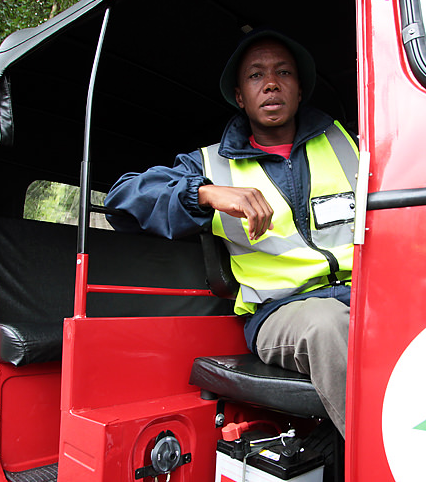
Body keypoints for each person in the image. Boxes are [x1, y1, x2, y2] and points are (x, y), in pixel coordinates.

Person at [105, 29, 358, 435]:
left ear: (299, 90)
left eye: (284, 73)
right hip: (284, 311)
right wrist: (204, 193)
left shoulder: (351, 144)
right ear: (241, 96)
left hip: (363, 296)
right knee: (328, 325)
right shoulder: (209, 164)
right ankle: (388, 481)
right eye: (256, 75)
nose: (271, 83)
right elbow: (122, 200)